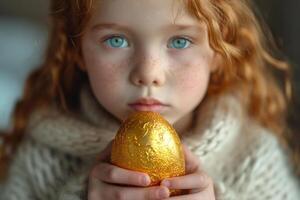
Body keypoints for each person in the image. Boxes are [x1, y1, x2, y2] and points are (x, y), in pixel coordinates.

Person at [0, 0, 299, 199]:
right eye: (116, 40)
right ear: (77, 51)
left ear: (219, 51)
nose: (148, 73)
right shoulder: (42, 158)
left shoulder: (254, 157)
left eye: (180, 41)